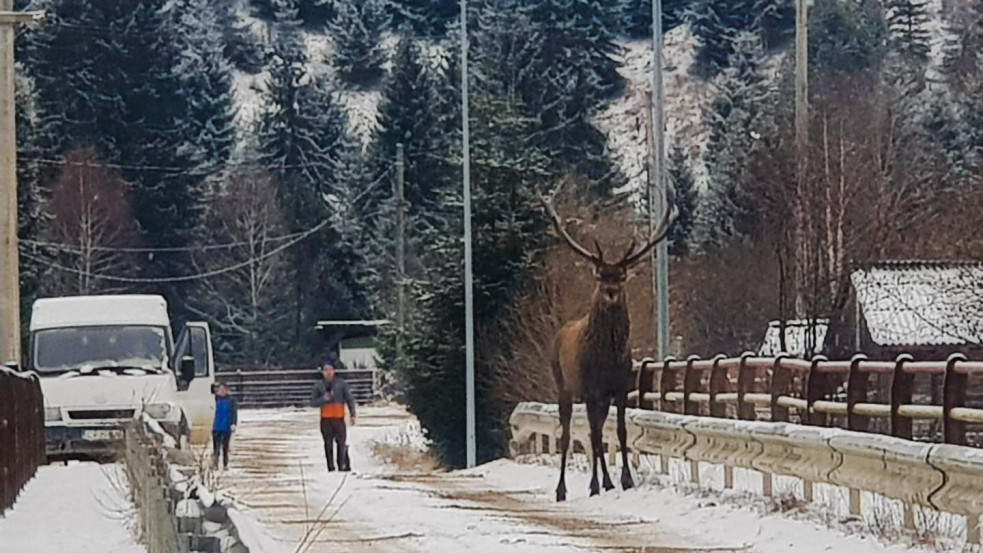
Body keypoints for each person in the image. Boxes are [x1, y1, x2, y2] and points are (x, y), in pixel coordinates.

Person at [312, 360, 357, 472]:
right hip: (326, 419)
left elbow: (349, 399)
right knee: (328, 444)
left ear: (334, 371)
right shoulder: (319, 385)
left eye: (330, 369)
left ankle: (341, 465)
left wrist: (353, 414)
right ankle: (330, 467)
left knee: (341, 443)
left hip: (339, 418)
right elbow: (312, 402)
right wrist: (323, 399)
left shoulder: (341, 384)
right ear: (322, 372)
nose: (328, 372)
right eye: (326, 370)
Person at [212, 383, 238, 469]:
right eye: (220, 389)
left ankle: (225, 464)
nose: (221, 391)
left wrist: (233, 423)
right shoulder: (215, 399)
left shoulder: (231, 400)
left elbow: (234, 412)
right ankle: (215, 463)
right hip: (216, 427)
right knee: (216, 447)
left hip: (226, 427)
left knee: (225, 447)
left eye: (223, 390)